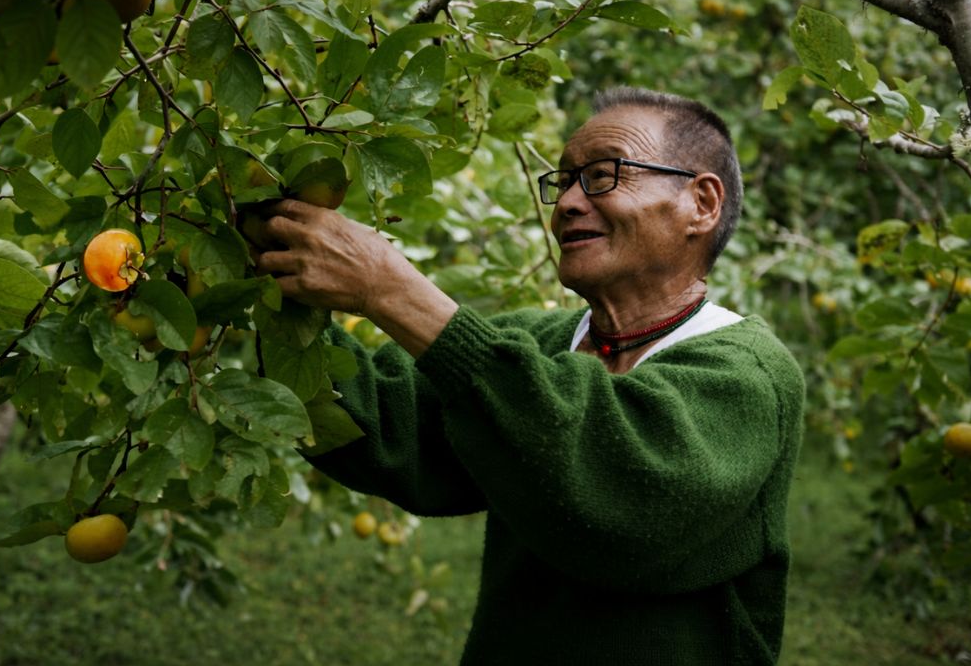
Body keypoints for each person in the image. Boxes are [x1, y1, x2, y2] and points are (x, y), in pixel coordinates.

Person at [253, 87, 805, 665]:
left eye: (601, 175)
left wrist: (391, 288)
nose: (566, 202)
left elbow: (620, 492)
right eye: (563, 181)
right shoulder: (538, 345)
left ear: (702, 203)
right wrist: (268, 279)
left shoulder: (749, 373)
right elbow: (377, 423)